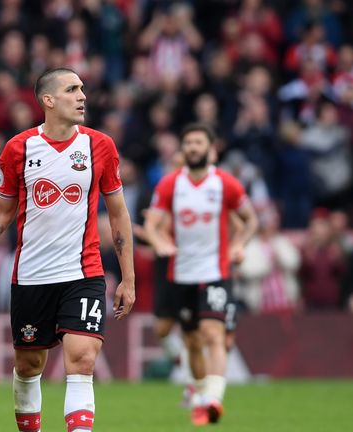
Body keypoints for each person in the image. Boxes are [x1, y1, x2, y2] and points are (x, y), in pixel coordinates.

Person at [0, 68, 135, 432]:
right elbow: (1, 213)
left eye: (83, 89)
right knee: (28, 367)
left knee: (82, 360)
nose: (82, 96)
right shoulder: (18, 149)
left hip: (83, 272)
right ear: (48, 100)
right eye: (72, 89)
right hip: (32, 276)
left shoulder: (100, 146)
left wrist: (127, 277)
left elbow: (118, 214)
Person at [143, 123, 258, 425]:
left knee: (213, 334)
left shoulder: (226, 184)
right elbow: (152, 226)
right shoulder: (170, 184)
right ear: (183, 150)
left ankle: (212, 399)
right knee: (189, 340)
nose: (193, 147)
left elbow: (250, 221)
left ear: (211, 148)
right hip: (179, 274)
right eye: (188, 143)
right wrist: (160, 242)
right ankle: (197, 391)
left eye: (198, 142)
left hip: (214, 271)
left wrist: (238, 245)